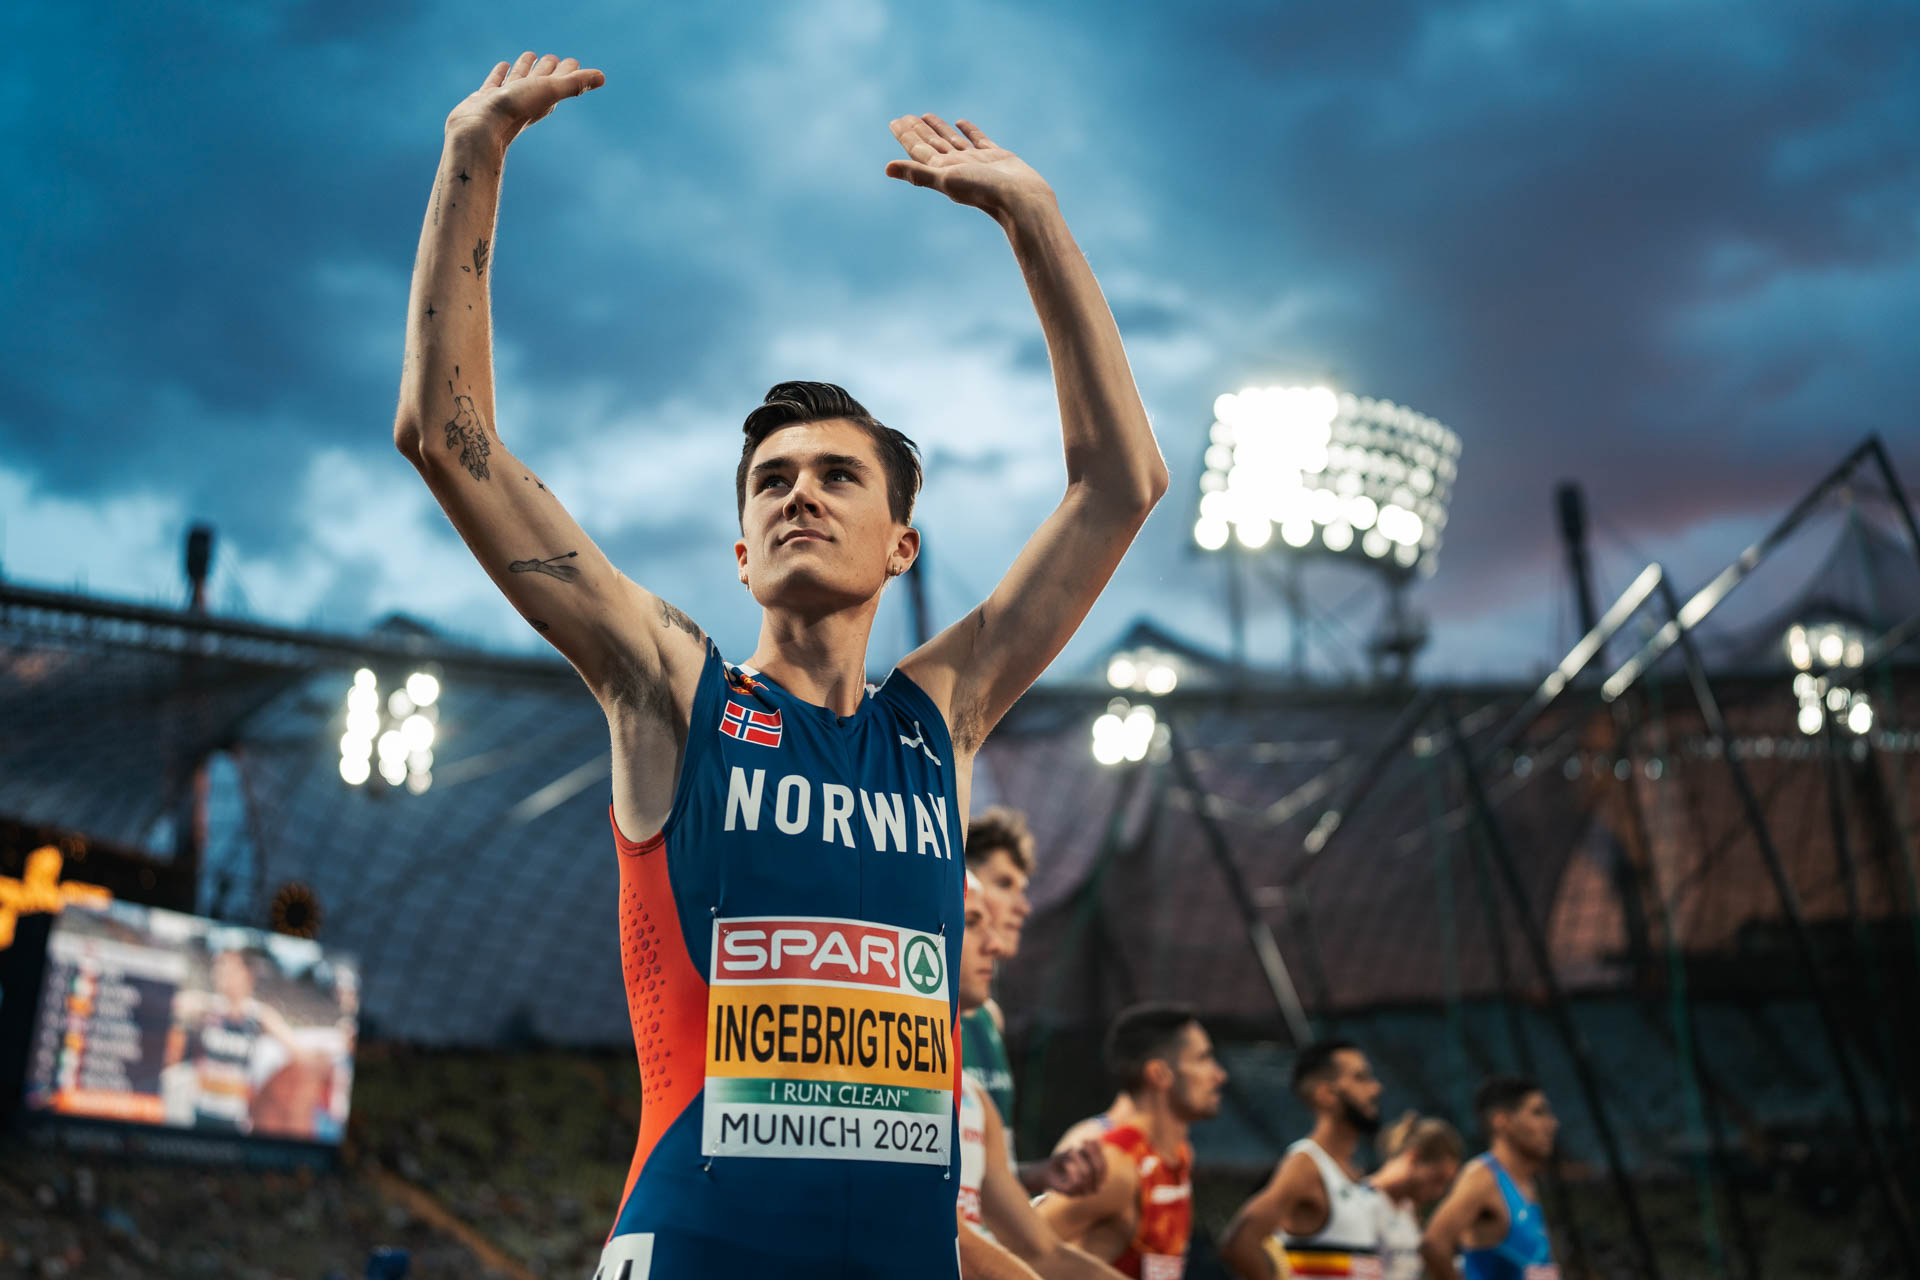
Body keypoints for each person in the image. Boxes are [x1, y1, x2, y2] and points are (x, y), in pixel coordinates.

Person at [393, 52, 1169, 1280]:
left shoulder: (937, 720)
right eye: (771, 481)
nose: (800, 490)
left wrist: (1037, 219)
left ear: (901, 542)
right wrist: (472, 149)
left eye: (837, 474)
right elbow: (448, 434)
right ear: (741, 549)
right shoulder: (671, 688)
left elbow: (1122, 485)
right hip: (701, 1250)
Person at [957, 873, 1129, 1280]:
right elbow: (944, 1236)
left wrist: (1032, 1174)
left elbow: (1042, 1251)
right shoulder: (877, 1086)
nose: (996, 944)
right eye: (971, 922)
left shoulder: (974, 1099)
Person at [965, 805, 1105, 1196]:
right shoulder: (914, 1008)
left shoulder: (987, 1019)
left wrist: (1038, 1176)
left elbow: (987, 1178)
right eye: (1005, 884)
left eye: (1024, 890)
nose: (1023, 908)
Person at [1036, 1005, 1227, 1278]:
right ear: (1159, 1074)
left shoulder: (1180, 1155)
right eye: (1203, 1059)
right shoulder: (1114, 1165)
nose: (1219, 1075)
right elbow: (1012, 1251)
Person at [1218, 1039, 1386, 1280]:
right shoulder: (1307, 1165)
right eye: (1361, 1078)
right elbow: (1240, 1243)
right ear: (1326, 1094)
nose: (1375, 1089)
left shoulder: (1350, 1170)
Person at [1419, 1078, 1561, 1280]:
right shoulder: (1483, 1177)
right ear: (1502, 1121)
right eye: (1538, 1113)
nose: (1552, 1124)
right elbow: (1433, 1243)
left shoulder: (1526, 1182)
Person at [1369, 1113, 1464, 1280]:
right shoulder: (1363, 1202)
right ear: (1414, 1157)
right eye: (1438, 1179)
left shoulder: (1408, 1210)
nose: (1439, 1192)